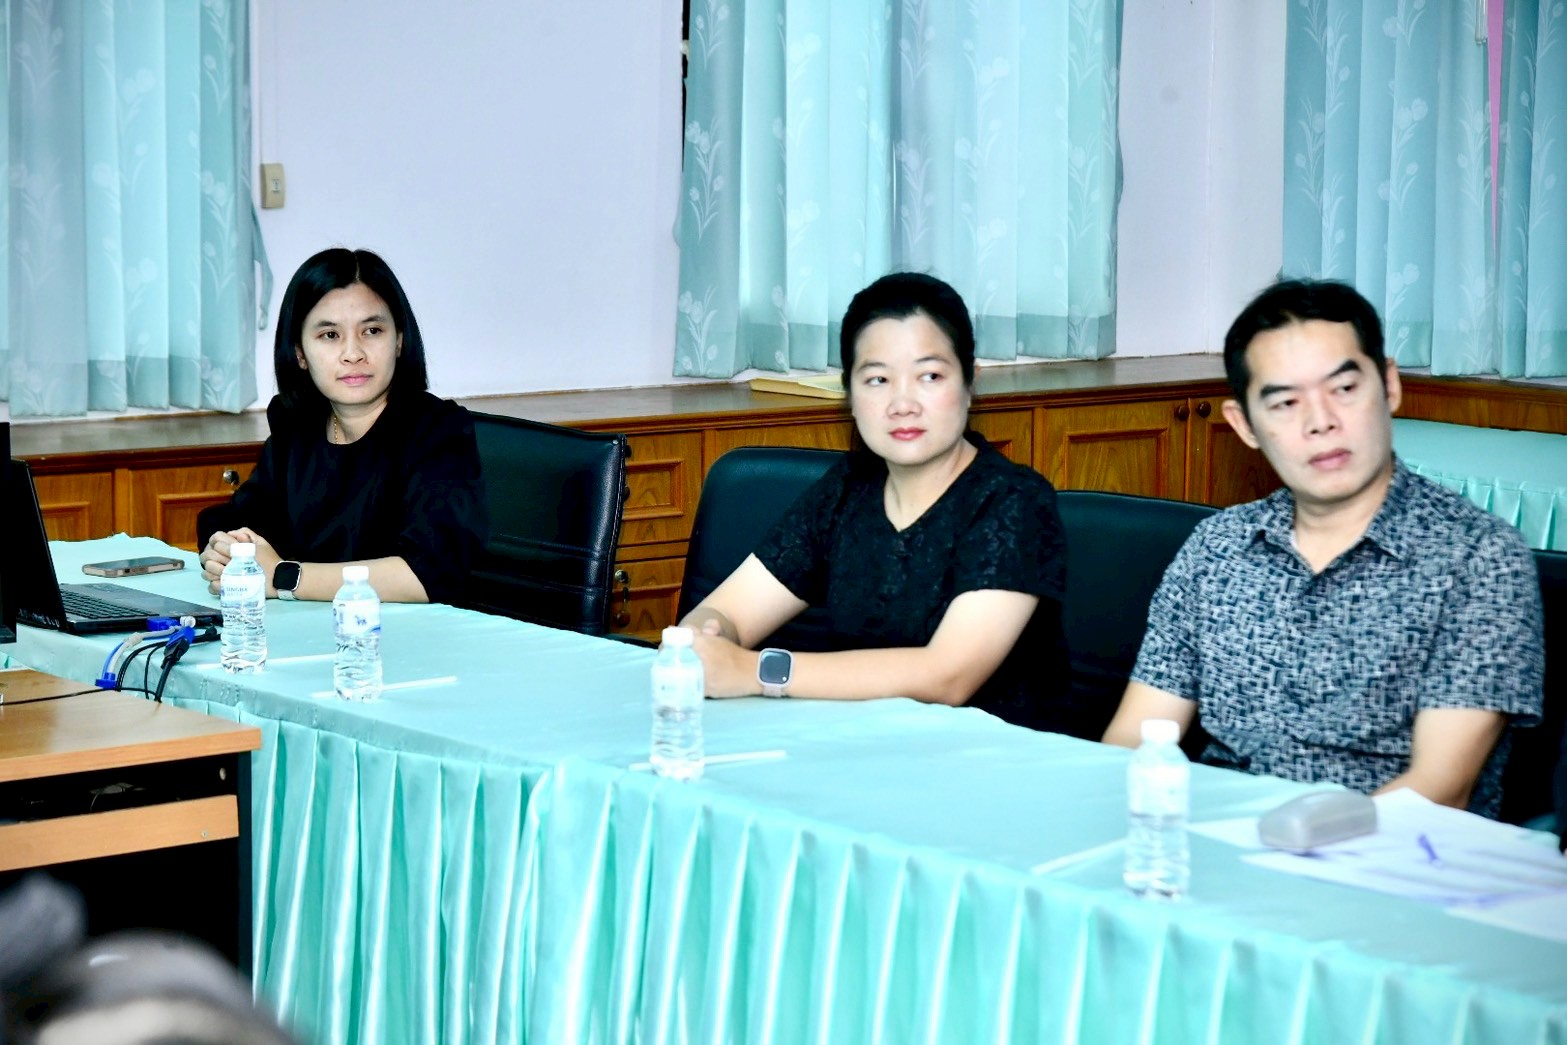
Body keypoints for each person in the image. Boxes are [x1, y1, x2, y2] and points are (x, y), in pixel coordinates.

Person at [1103, 278, 1544, 818]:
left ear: (1390, 385)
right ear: (1244, 425)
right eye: (1285, 403)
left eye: (1345, 389)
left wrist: (1270, 846)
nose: (1321, 422)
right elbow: (1136, 739)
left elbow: (1439, 788)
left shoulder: (1479, 558)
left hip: (1396, 852)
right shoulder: (1216, 548)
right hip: (1211, 839)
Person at [681, 272, 1073, 732]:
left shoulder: (1014, 502)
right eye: (878, 379)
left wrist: (755, 671)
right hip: (865, 746)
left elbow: (947, 677)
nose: (902, 403)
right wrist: (701, 640)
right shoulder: (848, 488)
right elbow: (728, 610)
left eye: (930, 376)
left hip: (992, 759)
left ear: (971, 382)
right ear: (849, 393)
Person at [197, 248, 487, 605]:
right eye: (330, 335)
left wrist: (284, 577)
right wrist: (226, 551)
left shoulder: (437, 431)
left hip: (403, 633)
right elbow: (243, 521)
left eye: (372, 330)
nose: (353, 353)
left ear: (399, 340)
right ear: (300, 353)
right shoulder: (297, 426)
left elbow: (428, 574)